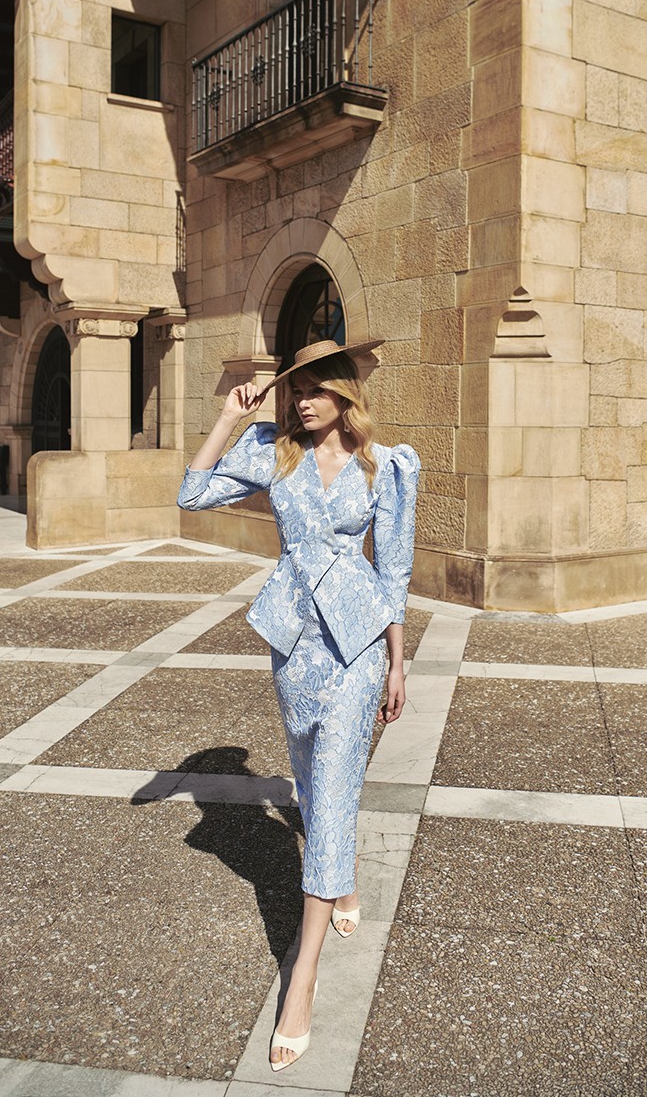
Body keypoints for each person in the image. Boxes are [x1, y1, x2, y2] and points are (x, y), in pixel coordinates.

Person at [177, 337, 420, 1071]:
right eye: (295, 390)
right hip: (293, 641)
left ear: (345, 393)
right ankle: (340, 878)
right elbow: (192, 494)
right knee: (313, 783)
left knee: (337, 786)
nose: (302, 401)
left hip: (357, 644)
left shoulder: (387, 465)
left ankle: (303, 979)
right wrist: (228, 419)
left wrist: (397, 662)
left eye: (315, 389)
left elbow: (394, 569)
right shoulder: (273, 453)